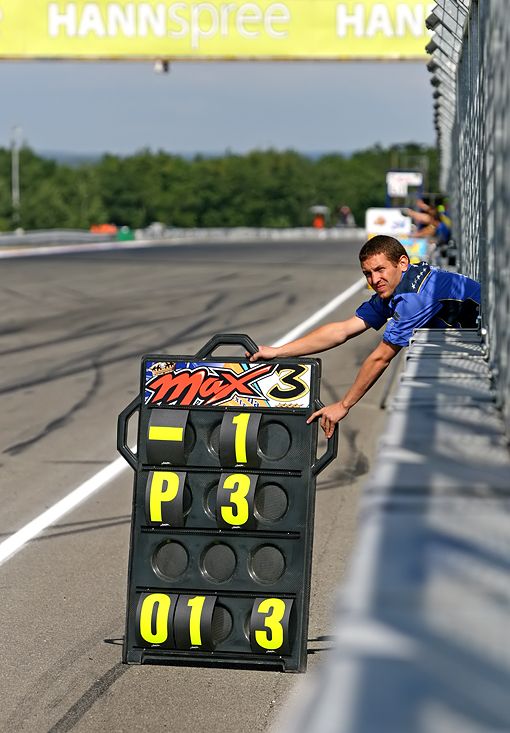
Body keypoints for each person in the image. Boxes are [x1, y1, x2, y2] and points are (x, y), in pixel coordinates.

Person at [249, 235, 481, 438]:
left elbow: (381, 358)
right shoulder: (401, 283)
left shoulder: (414, 297)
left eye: (380, 270)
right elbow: (342, 330)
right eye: (367, 273)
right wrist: (277, 351)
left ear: (402, 263)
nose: (374, 279)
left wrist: (344, 404)